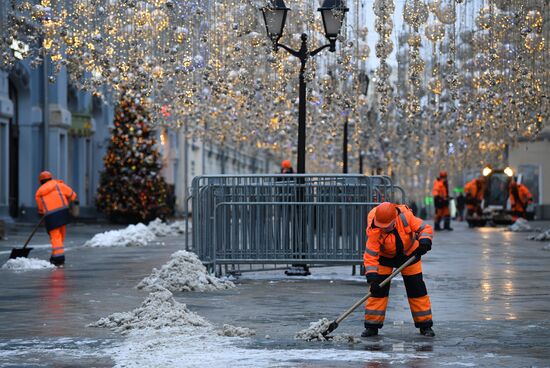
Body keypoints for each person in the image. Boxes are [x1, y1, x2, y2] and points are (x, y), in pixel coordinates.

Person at [363, 202, 435, 337]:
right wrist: (372, 278)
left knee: (417, 289)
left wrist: (424, 242)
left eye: (386, 226)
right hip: (384, 259)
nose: (383, 229)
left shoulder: (405, 217)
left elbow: (425, 228)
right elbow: (370, 255)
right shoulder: (374, 228)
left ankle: (425, 325)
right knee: (378, 292)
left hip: (410, 255)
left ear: (394, 219)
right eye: (381, 226)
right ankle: (372, 326)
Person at [35, 171, 78, 266]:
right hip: (63, 213)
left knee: (55, 237)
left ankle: (58, 258)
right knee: (61, 235)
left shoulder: (39, 192)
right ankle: (55, 255)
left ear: (41, 181)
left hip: (51, 216)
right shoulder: (59, 185)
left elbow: (41, 209)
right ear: (50, 178)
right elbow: (73, 196)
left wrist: (42, 212)